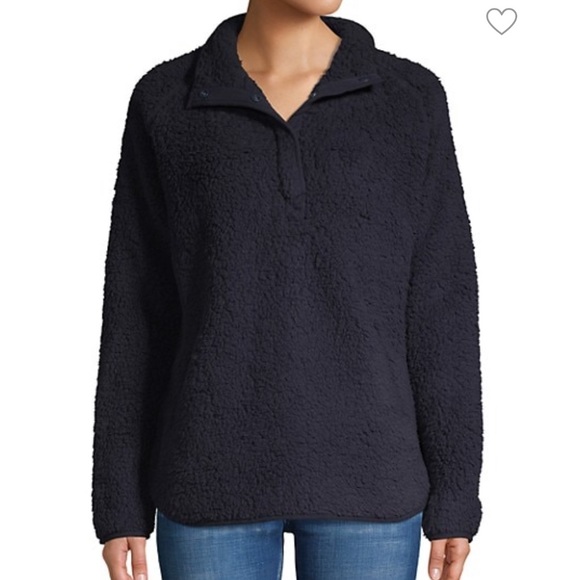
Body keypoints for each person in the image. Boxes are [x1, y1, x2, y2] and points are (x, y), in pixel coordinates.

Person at [92, 1, 484, 579]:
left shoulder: (408, 97)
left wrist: (456, 493)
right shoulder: (169, 99)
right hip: (208, 475)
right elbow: (136, 309)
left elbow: (441, 304)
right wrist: (119, 498)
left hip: (372, 476)